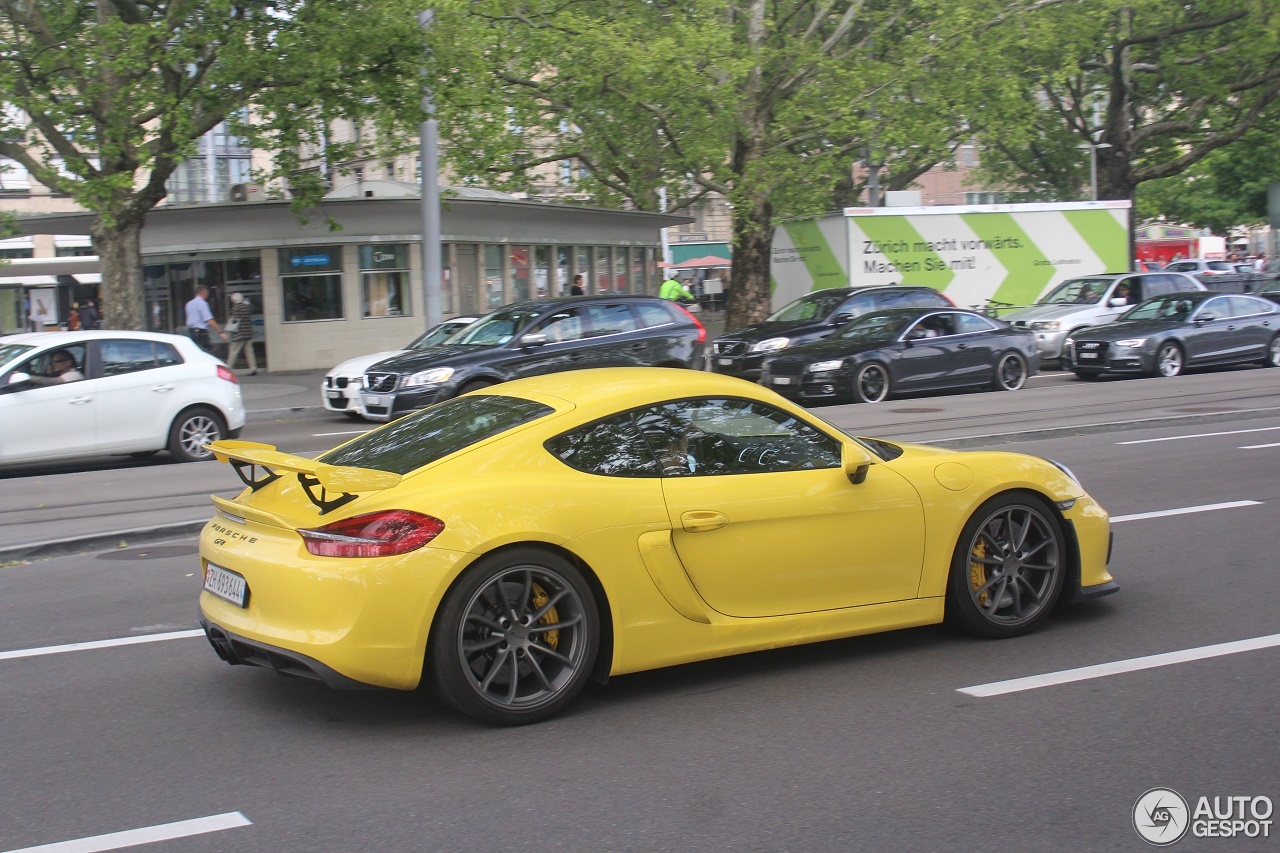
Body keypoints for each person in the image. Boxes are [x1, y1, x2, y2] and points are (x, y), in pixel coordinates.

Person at [184, 285, 225, 352]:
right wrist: (220, 332)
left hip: (191, 331)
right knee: (206, 353)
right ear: (203, 292)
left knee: (195, 352)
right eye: (207, 292)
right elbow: (209, 319)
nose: (207, 294)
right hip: (201, 333)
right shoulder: (202, 303)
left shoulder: (189, 304)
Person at [225, 292, 258, 374]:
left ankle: (228, 368)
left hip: (239, 333)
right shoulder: (247, 307)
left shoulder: (236, 308)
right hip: (248, 332)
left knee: (234, 351)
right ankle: (253, 368)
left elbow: (234, 320)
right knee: (249, 351)